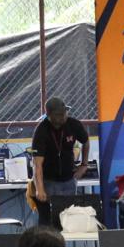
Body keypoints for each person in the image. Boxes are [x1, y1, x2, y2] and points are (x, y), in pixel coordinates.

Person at [30, 97, 89, 228]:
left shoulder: (74, 125)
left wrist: (84, 165)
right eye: (59, 114)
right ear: (49, 115)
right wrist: (40, 189)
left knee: (68, 221)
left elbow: (86, 141)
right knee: (48, 222)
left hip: (69, 180)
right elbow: (37, 164)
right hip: (48, 181)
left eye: (65, 112)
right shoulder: (41, 131)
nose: (63, 116)